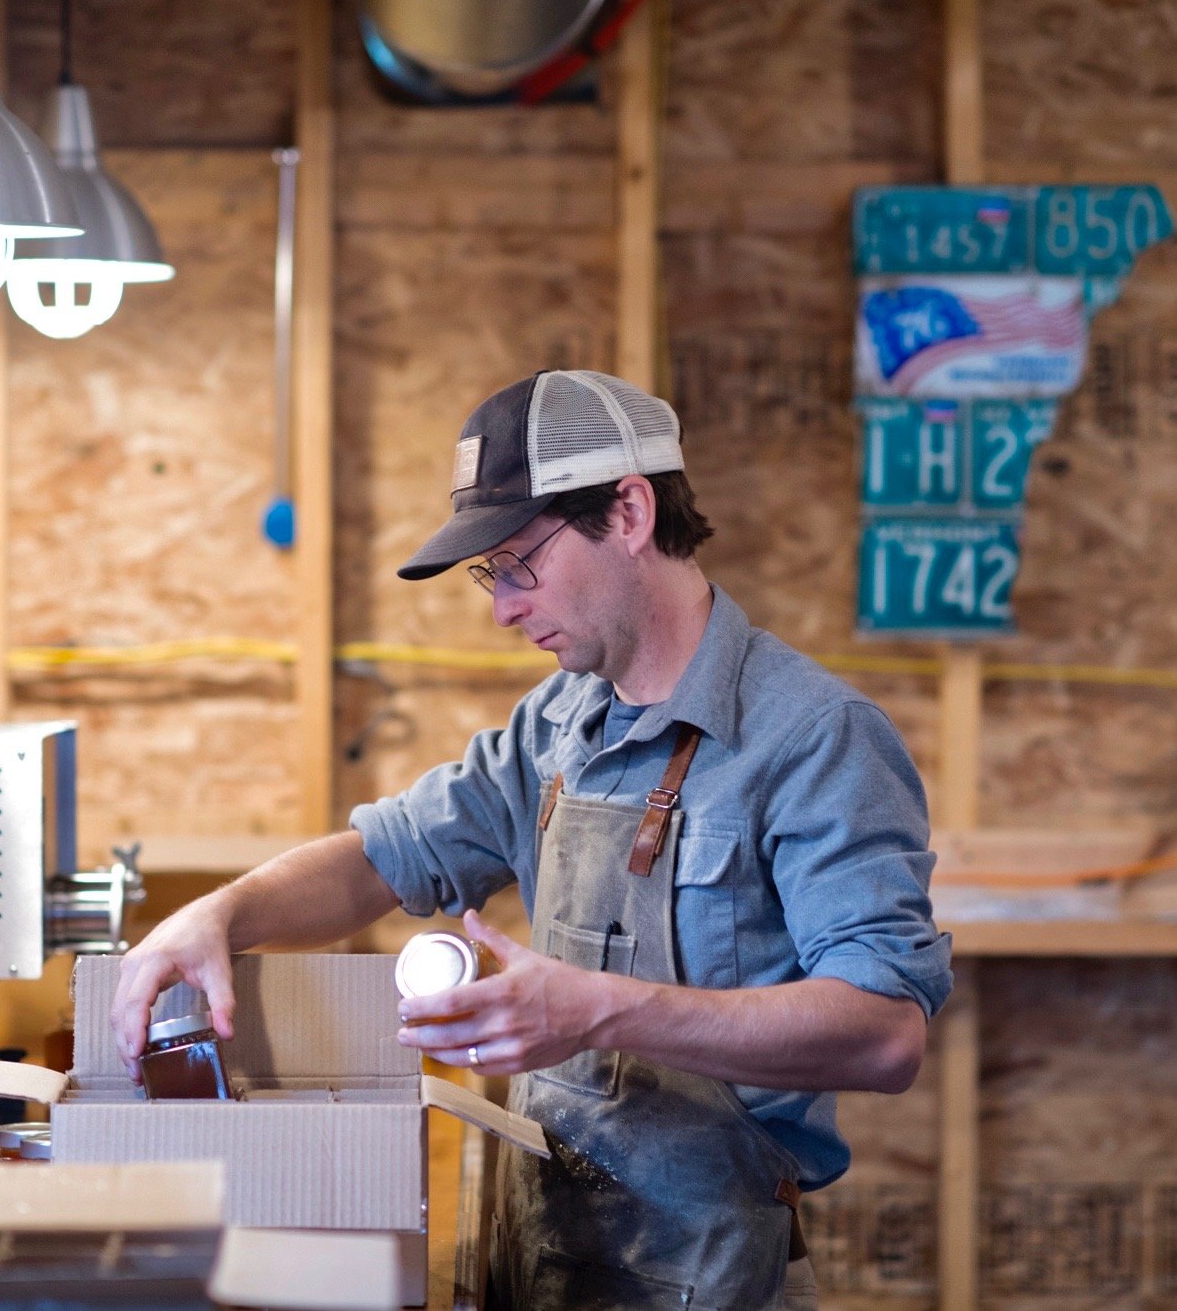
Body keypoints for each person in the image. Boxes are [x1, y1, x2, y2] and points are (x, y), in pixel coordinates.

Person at [112, 369, 953, 1311]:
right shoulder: (558, 723)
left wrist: (600, 1009)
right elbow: (384, 857)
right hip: (542, 1256)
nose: (503, 606)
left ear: (629, 511)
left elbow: (885, 1034)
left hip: (707, 1279)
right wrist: (221, 913)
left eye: (521, 561)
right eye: (491, 572)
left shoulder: (813, 737)